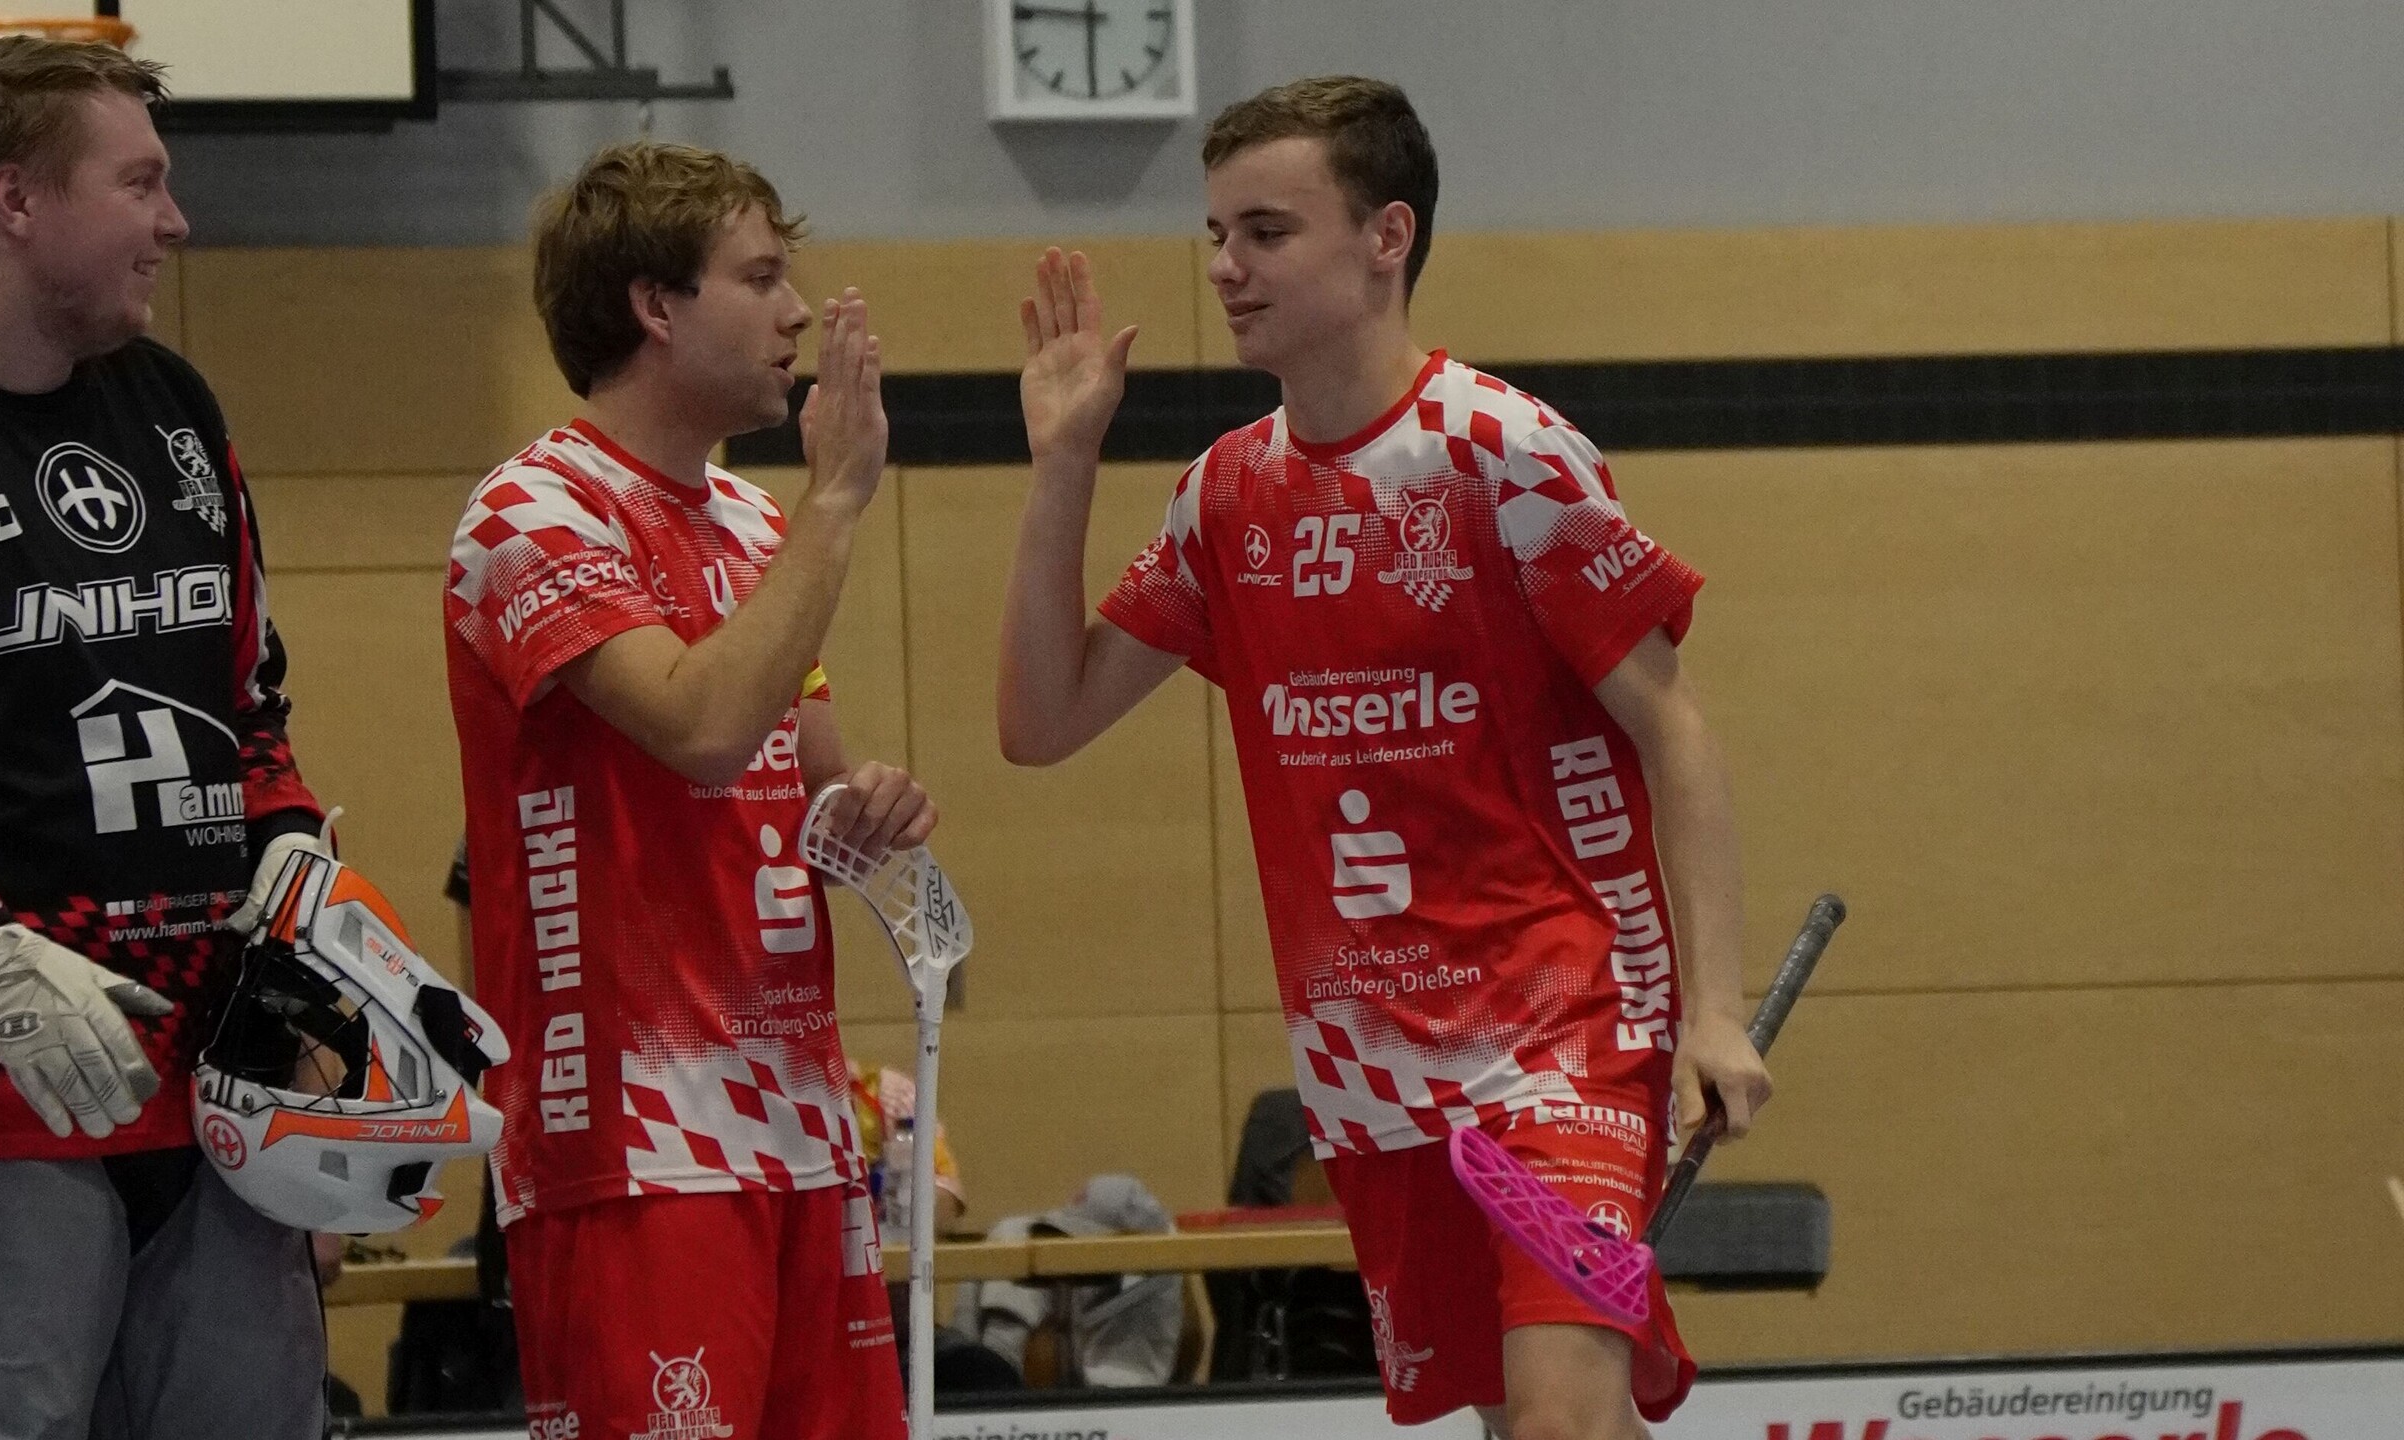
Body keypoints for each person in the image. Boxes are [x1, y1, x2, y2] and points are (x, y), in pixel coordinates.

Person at [996, 77, 1773, 1440]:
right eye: (1216, 233)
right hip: (1372, 1072)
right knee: (1523, 1421)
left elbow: (1678, 728)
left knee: (1559, 1420)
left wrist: (1714, 1008)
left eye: (1267, 231)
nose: (1226, 267)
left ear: (1385, 237)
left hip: (1563, 1038)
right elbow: (1040, 720)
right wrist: (1064, 460)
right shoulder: (1224, 495)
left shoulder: (1503, 455)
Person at [0, 35, 332, 1439]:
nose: (176, 223)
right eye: (143, 184)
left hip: (226, 1099)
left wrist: (291, 851)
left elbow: (252, 710)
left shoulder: (179, 410)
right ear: (17, 200)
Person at [445, 141, 935, 1440]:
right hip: (634, 1137)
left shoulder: (758, 525)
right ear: (655, 306)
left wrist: (875, 816)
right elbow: (707, 730)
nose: (794, 316)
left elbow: (808, 799)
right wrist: (838, 499)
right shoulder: (530, 515)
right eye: (761, 277)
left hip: (801, 1122)